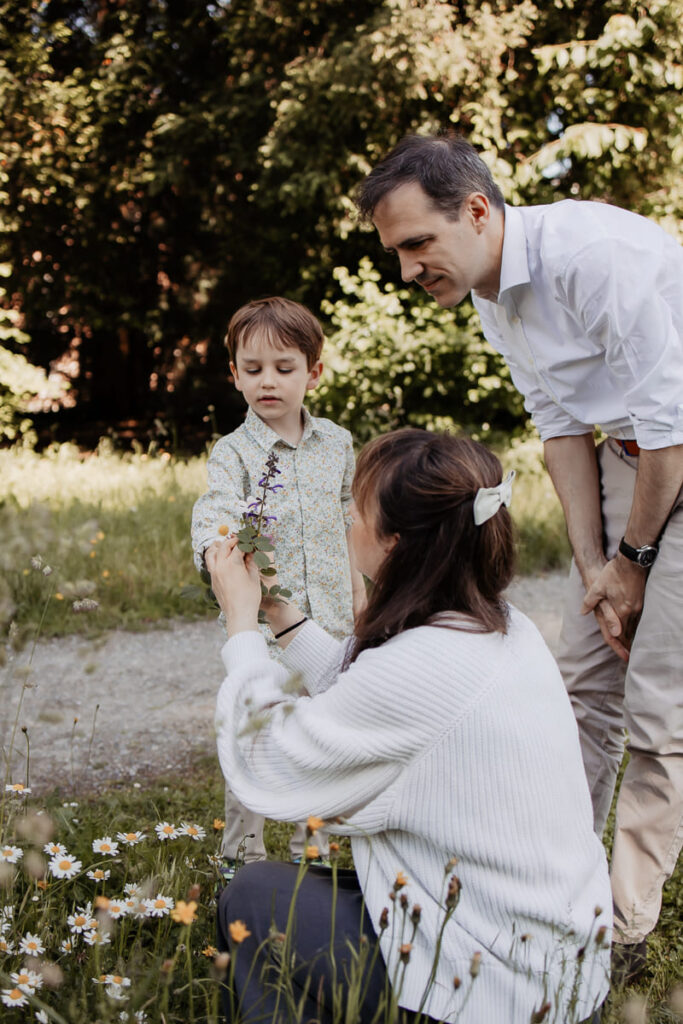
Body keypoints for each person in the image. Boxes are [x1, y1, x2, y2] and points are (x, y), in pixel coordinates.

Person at [355, 132, 683, 978]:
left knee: (656, 711)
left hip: (674, 458)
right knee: (581, 683)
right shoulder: (488, 293)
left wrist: (635, 563)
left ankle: (621, 928)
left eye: (416, 244)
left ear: (475, 210)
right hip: (626, 466)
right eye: (395, 253)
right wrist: (594, 572)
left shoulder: (595, 256)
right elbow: (560, 429)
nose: (407, 269)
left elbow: (668, 435)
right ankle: (551, 894)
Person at [207, 429, 611, 1024]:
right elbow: (370, 688)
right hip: (554, 966)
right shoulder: (503, 627)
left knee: (251, 897)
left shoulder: (420, 668)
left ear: (395, 542)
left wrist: (241, 628)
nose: (348, 518)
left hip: (499, 990)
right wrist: (278, 612)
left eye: (359, 509)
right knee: (306, 891)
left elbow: (266, 759)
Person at [192, 296, 366, 874]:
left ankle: (313, 862)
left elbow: (350, 519)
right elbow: (215, 514)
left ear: (313, 373)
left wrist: (363, 591)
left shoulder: (338, 444)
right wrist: (221, 550)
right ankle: (242, 865)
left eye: (284, 368)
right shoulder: (234, 454)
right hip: (263, 635)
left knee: (320, 745)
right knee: (258, 741)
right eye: (253, 368)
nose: (269, 382)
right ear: (234, 374)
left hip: (332, 623)